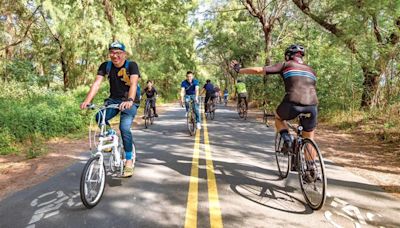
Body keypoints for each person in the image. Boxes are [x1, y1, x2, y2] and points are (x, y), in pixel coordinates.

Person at [231, 44, 318, 166]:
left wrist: (239, 69)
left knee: (278, 118)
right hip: (312, 105)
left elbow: (258, 70)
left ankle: (287, 140)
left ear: (288, 56)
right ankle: (311, 169)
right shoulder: (311, 69)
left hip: (292, 102)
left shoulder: (285, 65)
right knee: (309, 137)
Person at [80, 41, 140, 178]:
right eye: (112, 52)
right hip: (114, 100)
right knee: (99, 116)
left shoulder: (131, 65)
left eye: (118, 53)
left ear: (124, 54)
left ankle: (129, 161)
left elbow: (134, 84)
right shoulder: (105, 66)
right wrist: (87, 101)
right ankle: (111, 134)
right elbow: (96, 83)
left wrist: (130, 100)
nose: (115, 56)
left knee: (124, 128)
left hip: (130, 101)